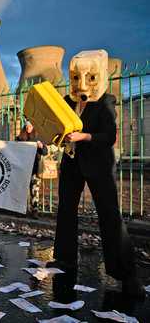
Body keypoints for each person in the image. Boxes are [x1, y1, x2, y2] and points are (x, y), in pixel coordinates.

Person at [48, 50, 145, 298]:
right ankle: (64, 260)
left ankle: (126, 275)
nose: (81, 84)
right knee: (66, 211)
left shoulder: (106, 101)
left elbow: (109, 137)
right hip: (71, 162)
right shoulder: (67, 101)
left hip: (99, 164)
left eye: (89, 77)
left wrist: (84, 136)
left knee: (109, 215)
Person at [16, 121, 48, 218]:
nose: (28, 128)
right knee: (22, 189)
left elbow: (45, 152)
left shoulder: (39, 138)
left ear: (33, 127)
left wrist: (41, 146)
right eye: (26, 126)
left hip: (35, 168)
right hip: (22, 168)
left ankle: (35, 210)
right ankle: (23, 210)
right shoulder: (19, 138)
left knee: (35, 190)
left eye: (30, 126)